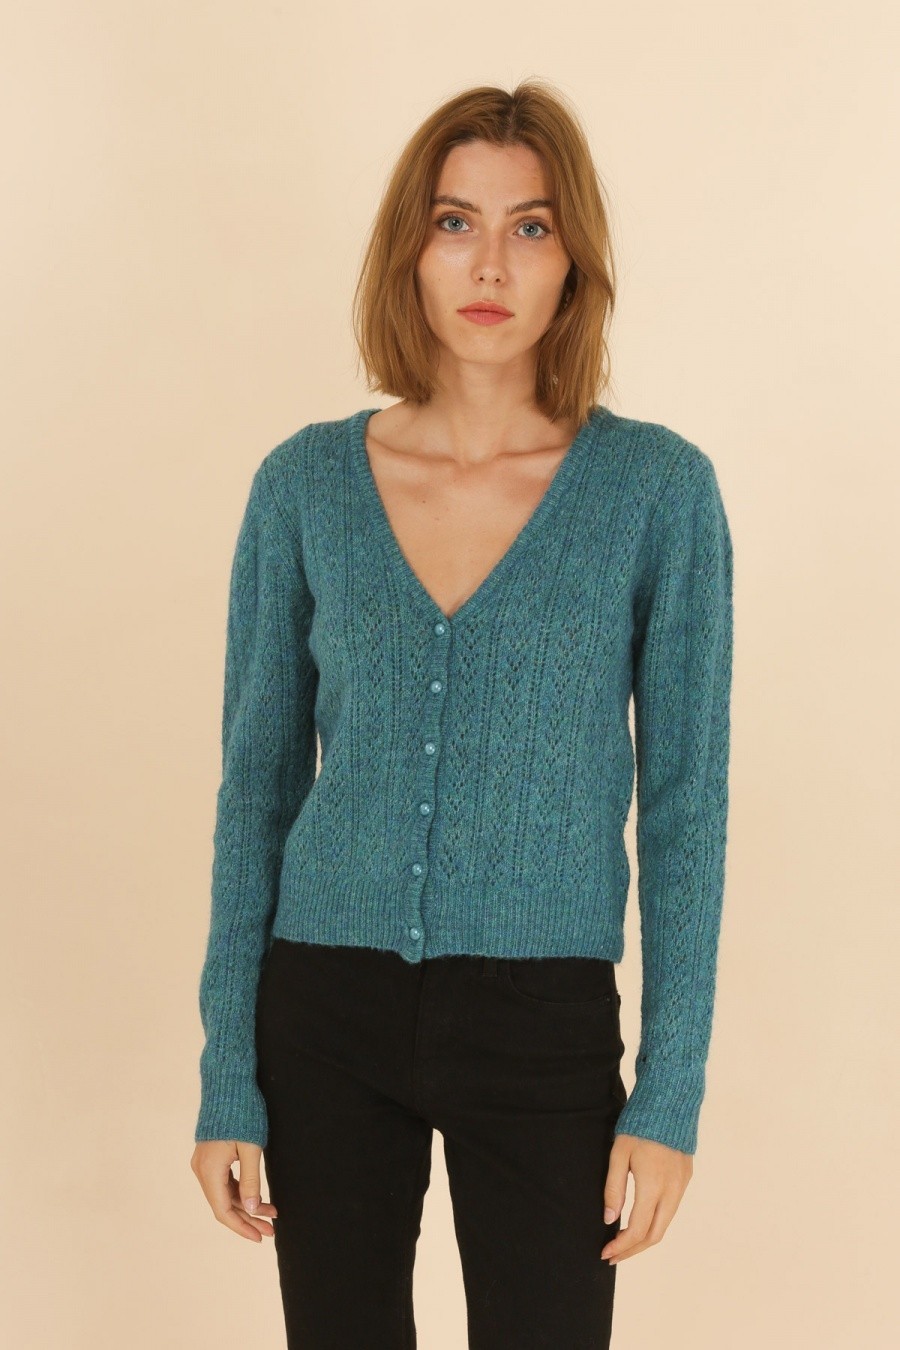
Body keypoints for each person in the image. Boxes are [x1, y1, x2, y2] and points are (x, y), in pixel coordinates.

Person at [190, 79, 734, 1350]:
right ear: (412, 249)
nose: (490, 264)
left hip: (545, 1021)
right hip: (322, 1010)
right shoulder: (304, 485)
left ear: (573, 259)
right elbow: (256, 787)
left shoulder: (657, 491)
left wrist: (670, 1093)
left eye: (530, 227)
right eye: (455, 222)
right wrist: (228, 1075)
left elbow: (688, 807)